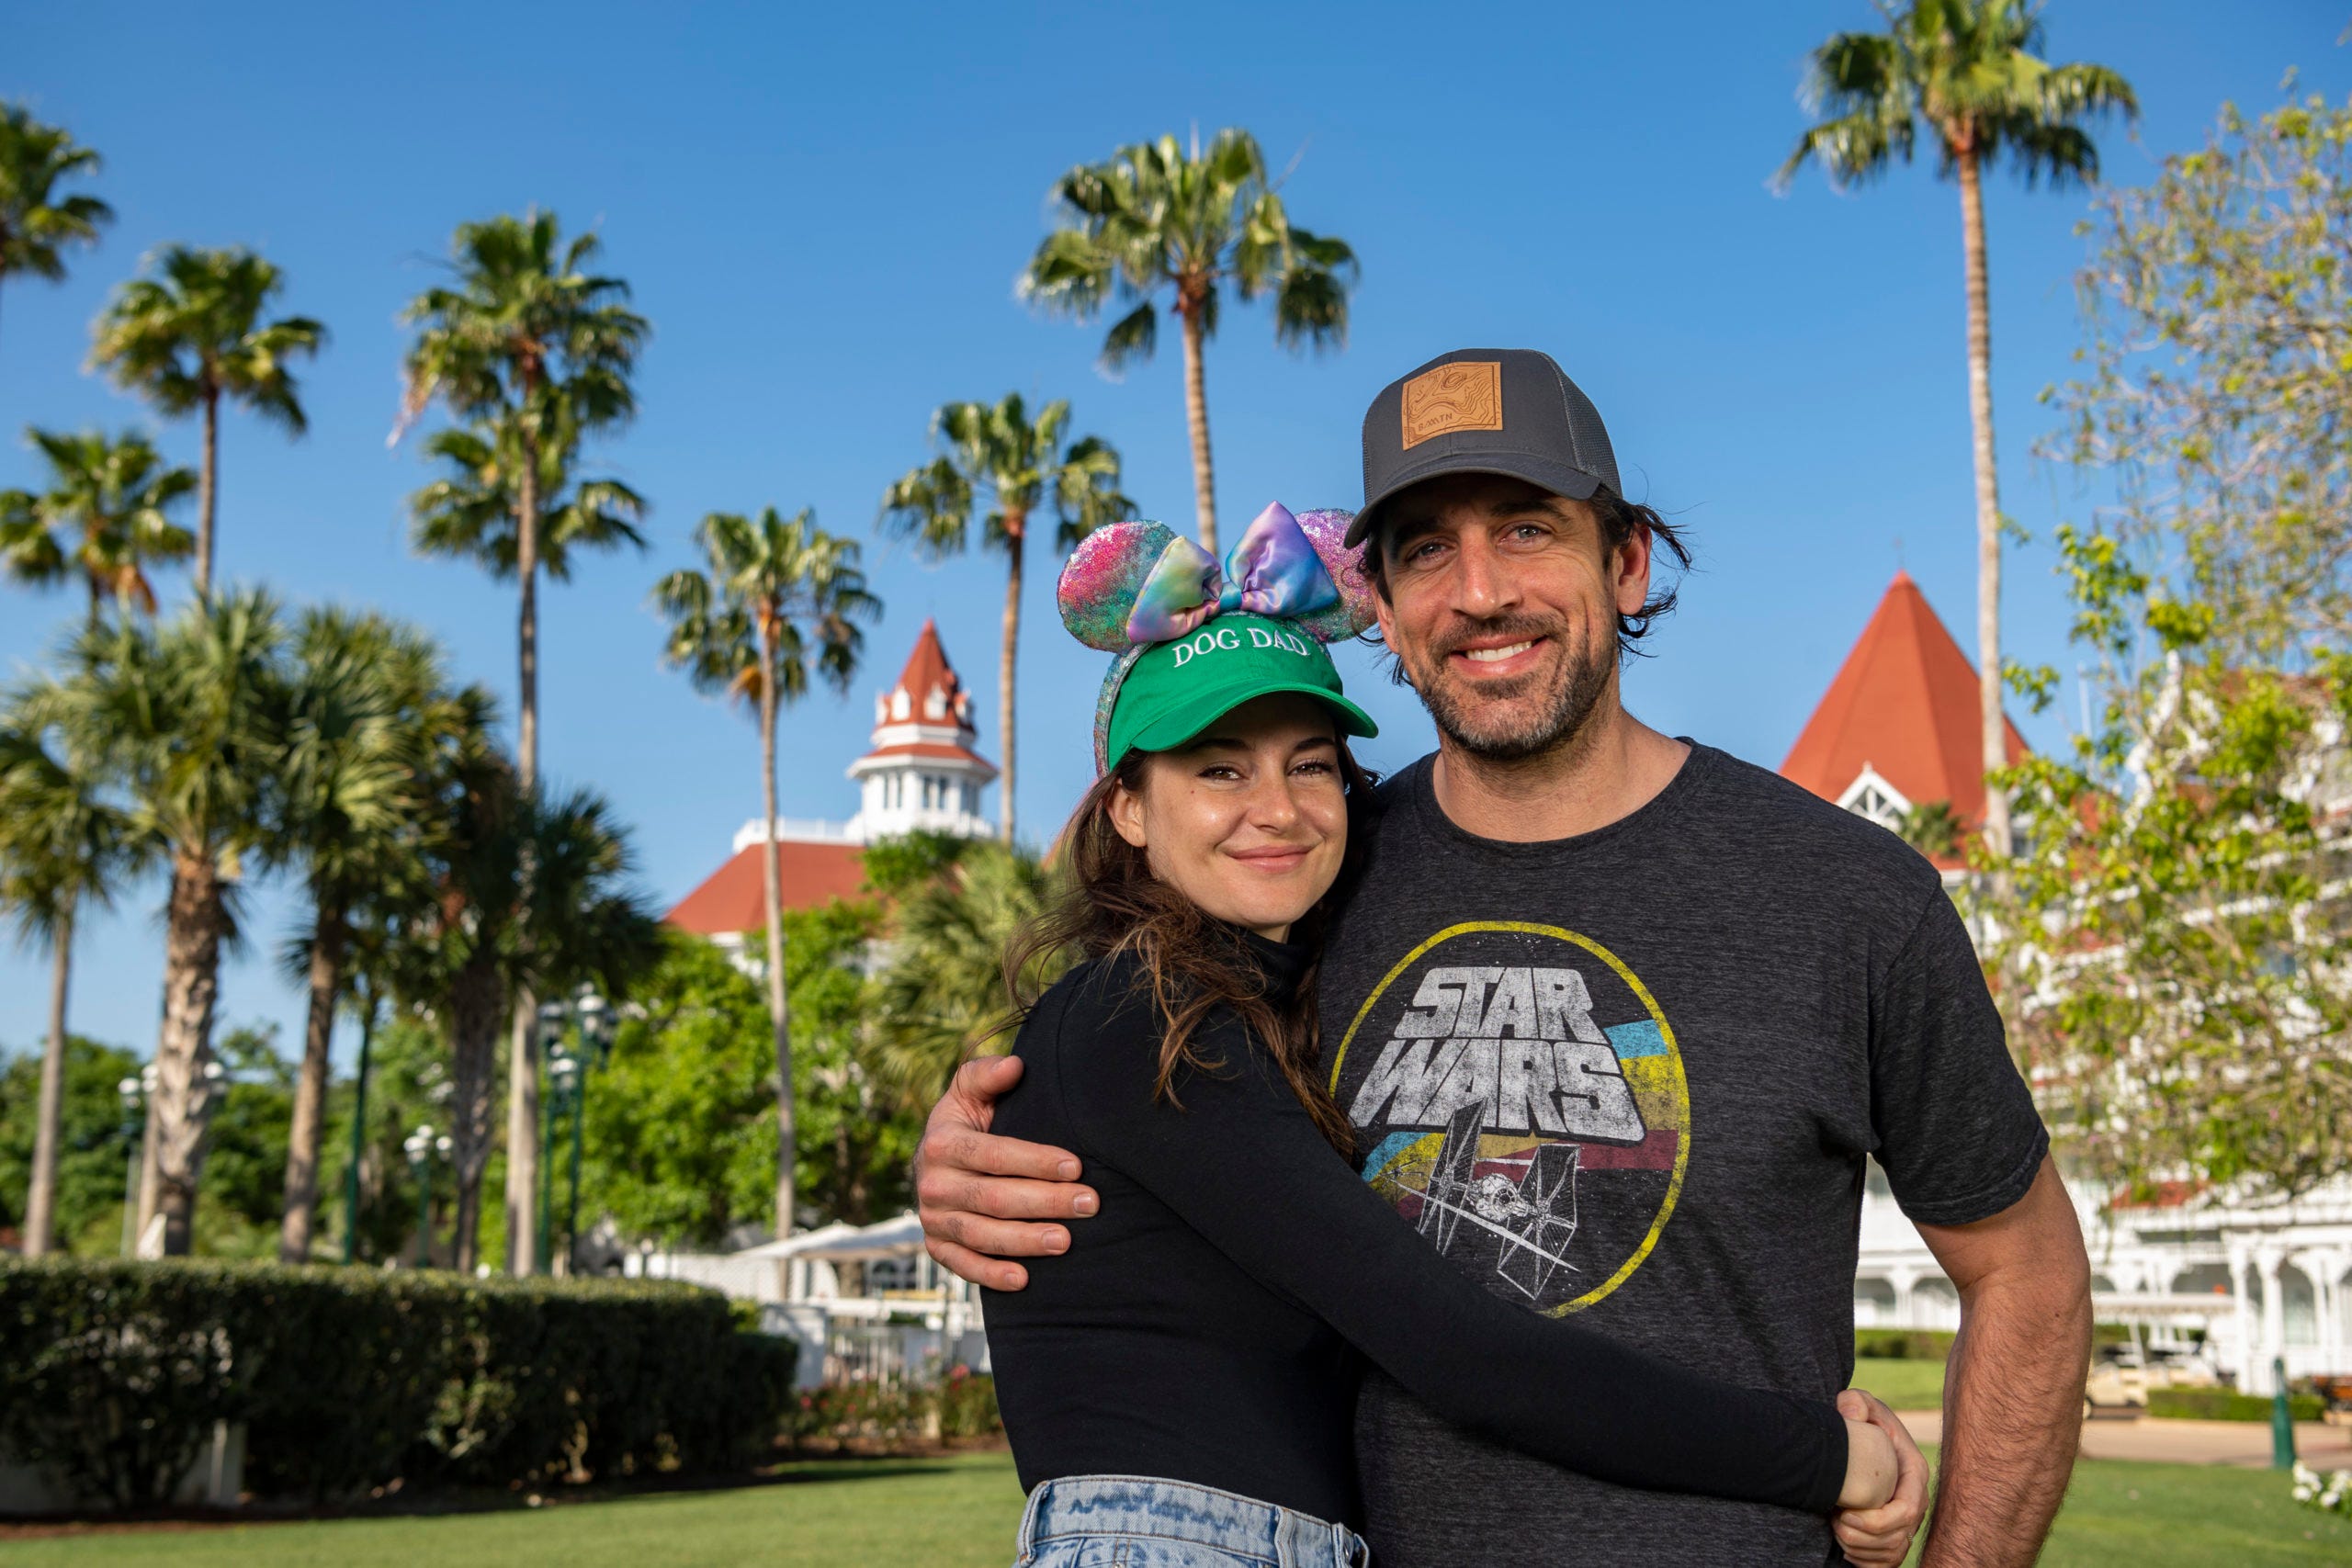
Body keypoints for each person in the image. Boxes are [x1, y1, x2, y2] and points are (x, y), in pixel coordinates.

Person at [922, 351, 2092, 1568]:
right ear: (1376, 598)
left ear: (1626, 559)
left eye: (1528, 529)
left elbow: (2029, 1274)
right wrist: (968, 1145)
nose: (1480, 592)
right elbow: (1137, 1063)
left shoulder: (1849, 897)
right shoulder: (1311, 876)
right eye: (1426, 547)